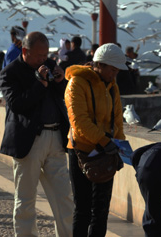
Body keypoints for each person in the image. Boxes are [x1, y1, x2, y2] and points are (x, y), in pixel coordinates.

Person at [0, 31, 73, 237]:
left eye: (46, 55)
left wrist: (60, 82)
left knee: (64, 197)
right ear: (25, 51)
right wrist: (40, 84)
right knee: (25, 199)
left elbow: (65, 99)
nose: (44, 60)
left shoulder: (48, 66)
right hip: (29, 142)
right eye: (39, 55)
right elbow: (17, 104)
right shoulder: (10, 72)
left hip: (56, 138)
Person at [65, 43, 127, 237]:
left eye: (117, 71)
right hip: (81, 151)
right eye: (112, 70)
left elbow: (117, 120)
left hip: (106, 151)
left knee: (101, 211)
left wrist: (120, 146)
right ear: (99, 65)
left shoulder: (112, 86)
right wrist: (105, 141)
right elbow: (79, 122)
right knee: (83, 209)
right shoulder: (77, 82)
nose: (114, 75)